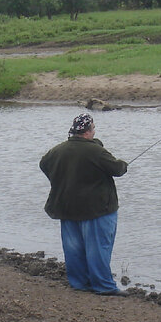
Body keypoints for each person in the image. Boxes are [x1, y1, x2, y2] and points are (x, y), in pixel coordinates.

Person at [39, 112, 129, 295]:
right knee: (98, 249)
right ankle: (103, 286)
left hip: (67, 208)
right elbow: (118, 169)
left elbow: (44, 164)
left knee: (74, 249)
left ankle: (79, 283)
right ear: (88, 131)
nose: (94, 131)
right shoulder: (95, 151)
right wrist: (124, 164)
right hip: (96, 209)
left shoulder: (57, 150)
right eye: (94, 128)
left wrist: (60, 180)